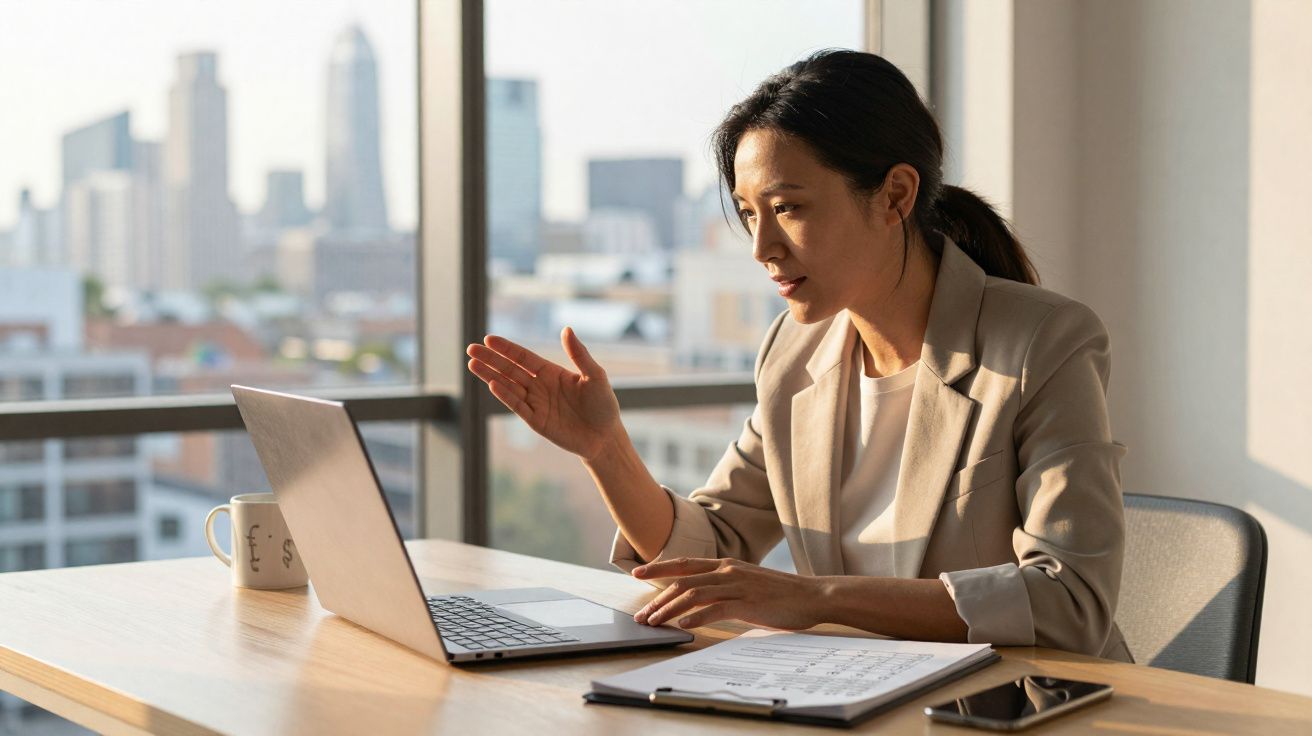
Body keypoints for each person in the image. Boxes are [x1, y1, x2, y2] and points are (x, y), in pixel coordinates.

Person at [466, 49, 1131, 660]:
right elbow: (714, 545)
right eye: (748, 213)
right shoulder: (794, 352)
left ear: (895, 196)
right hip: (856, 695)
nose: (762, 248)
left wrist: (816, 599)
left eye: (787, 208)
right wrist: (604, 448)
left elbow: (1070, 601)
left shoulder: (1043, 343)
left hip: (1019, 707)